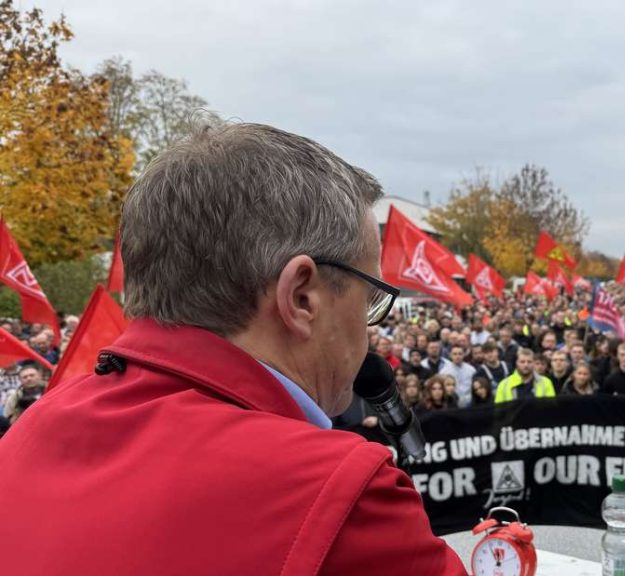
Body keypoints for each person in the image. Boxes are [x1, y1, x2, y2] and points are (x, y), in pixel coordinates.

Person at [0, 123, 465, 574]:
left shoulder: (28, 434)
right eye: (370, 297)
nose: (370, 332)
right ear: (302, 297)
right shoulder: (345, 495)